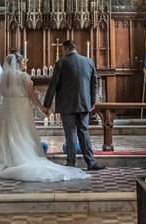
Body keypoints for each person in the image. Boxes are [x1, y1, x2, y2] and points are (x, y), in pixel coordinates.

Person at [0, 53, 88, 182]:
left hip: (8, 108)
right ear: (17, 63)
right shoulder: (24, 76)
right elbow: (32, 96)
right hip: (21, 107)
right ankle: (21, 157)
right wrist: (43, 108)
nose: (24, 63)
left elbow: (2, 93)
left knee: (7, 132)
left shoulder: (4, 77)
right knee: (22, 131)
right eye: (23, 61)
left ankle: (6, 159)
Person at [43, 40, 106, 171]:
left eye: (62, 50)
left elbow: (53, 85)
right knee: (84, 131)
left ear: (65, 49)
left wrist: (46, 105)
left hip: (67, 105)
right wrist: (92, 101)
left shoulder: (61, 63)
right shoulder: (89, 61)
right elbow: (94, 83)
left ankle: (71, 163)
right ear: (75, 48)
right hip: (84, 103)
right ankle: (91, 162)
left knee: (70, 133)